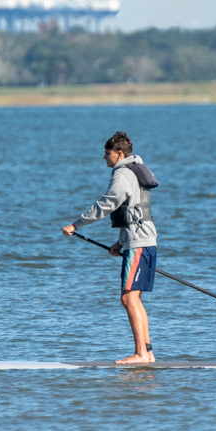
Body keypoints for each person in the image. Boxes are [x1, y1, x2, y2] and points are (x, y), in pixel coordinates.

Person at [61, 131, 159, 365]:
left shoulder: (123, 173)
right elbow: (132, 212)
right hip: (141, 241)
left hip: (139, 243)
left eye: (107, 154)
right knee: (134, 298)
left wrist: (76, 224)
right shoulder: (133, 170)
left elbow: (107, 204)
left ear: (119, 153)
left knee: (128, 298)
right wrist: (120, 243)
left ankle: (141, 355)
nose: (104, 158)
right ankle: (148, 353)